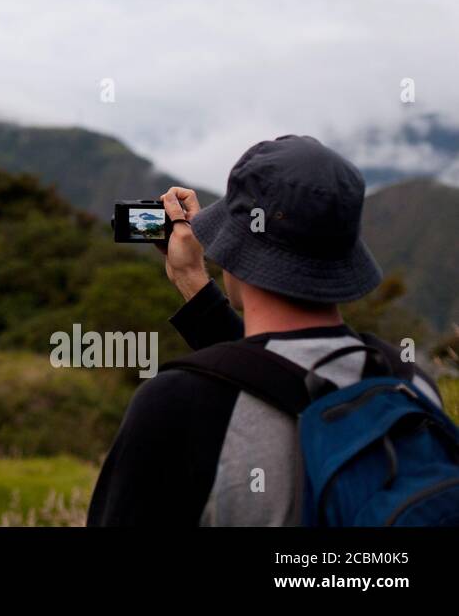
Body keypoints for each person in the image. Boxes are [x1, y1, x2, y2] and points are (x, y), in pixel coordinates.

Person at [86, 134, 443, 526]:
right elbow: (268, 374)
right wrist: (191, 281)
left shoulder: (173, 408)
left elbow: (252, 392)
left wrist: (193, 275)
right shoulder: (412, 386)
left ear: (236, 249)